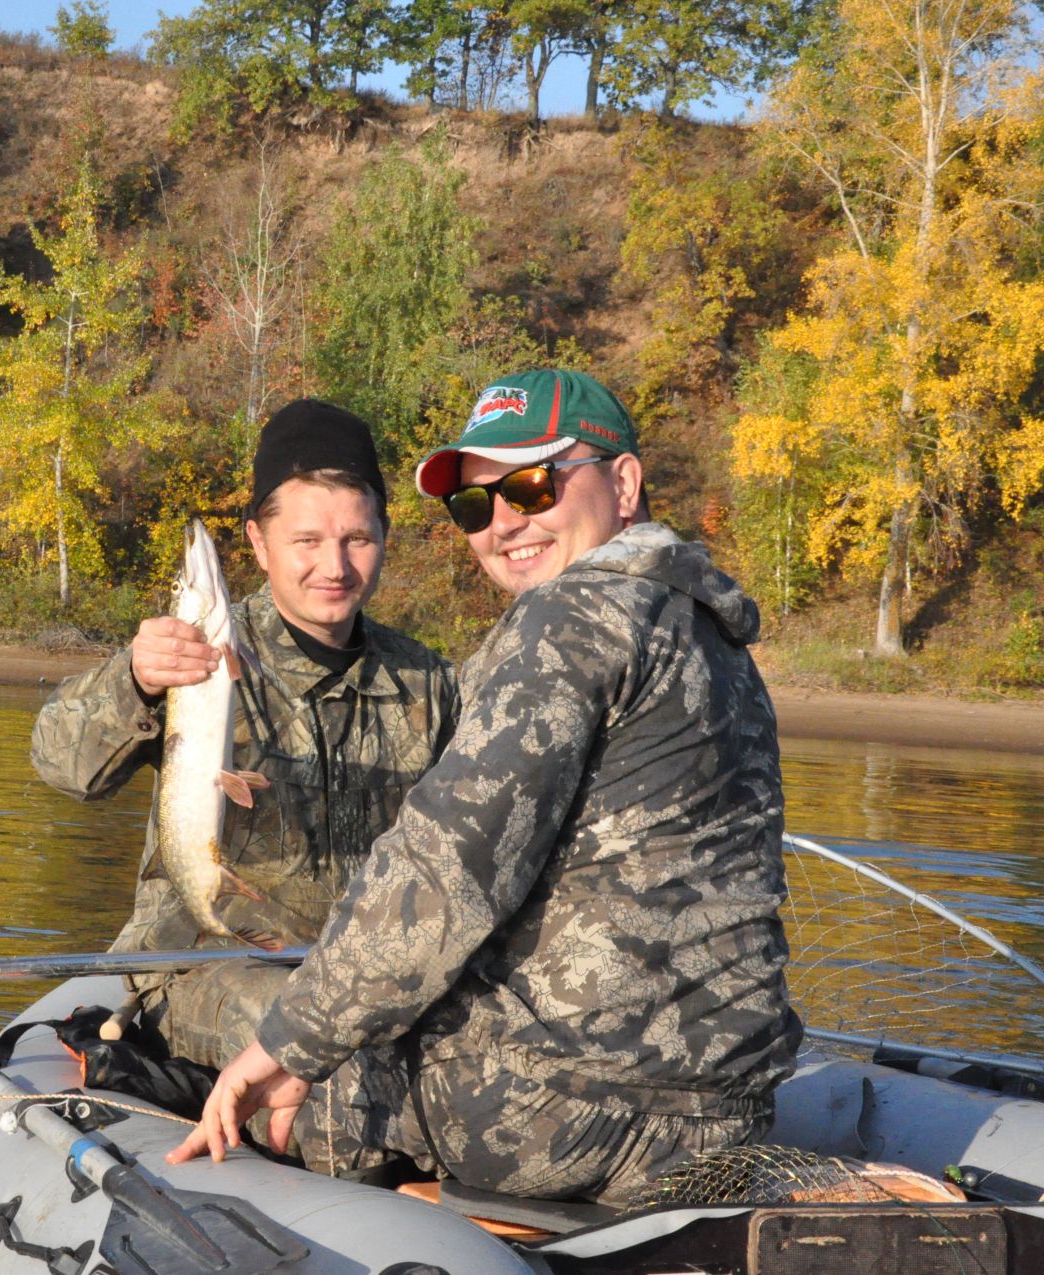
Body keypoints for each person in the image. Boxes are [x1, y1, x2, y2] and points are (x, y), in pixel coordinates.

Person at [168, 368, 802, 1205]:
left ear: (623, 482)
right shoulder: (710, 630)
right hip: (727, 1116)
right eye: (476, 504)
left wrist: (285, 1049)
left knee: (252, 1031)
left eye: (533, 485)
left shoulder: (567, 621)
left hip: (560, 1117)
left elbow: (441, 876)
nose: (504, 522)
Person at [31, 398, 459, 1085]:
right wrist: (134, 681)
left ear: (385, 536)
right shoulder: (192, 657)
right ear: (260, 545)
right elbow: (60, 761)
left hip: (362, 977)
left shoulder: (432, 685)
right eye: (308, 540)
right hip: (202, 964)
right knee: (310, 1039)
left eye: (357, 538)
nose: (336, 565)